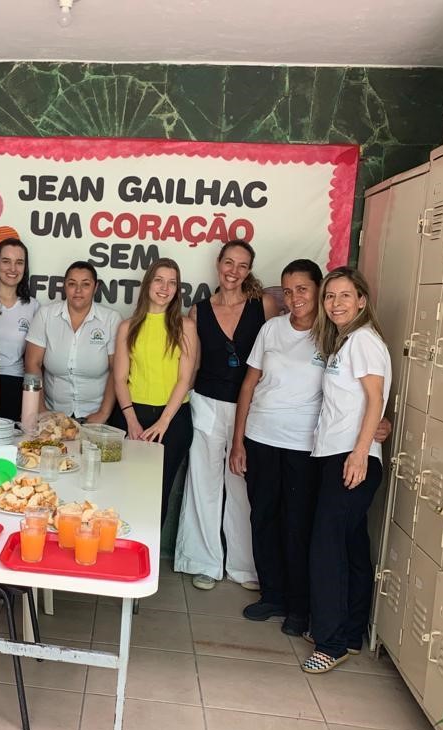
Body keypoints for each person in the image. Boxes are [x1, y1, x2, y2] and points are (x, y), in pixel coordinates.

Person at [228, 259, 326, 635]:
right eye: (287, 290)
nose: (294, 297)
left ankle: (299, 607)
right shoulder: (272, 329)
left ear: (318, 289)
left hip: (303, 446)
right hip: (261, 438)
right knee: (263, 518)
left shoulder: (331, 335)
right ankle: (272, 595)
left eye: (302, 289)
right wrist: (238, 441)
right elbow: (249, 385)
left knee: (297, 524)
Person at [301, 266, 391, 673]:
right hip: (337, 455)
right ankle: (350, 632)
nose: (335, 303)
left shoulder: (364, 341)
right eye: (330, 296)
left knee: (327, 548)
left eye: (344, 296)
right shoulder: (347, 341)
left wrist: (360, 453)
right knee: (350, 547)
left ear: (361, 301)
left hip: (350, 459)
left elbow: (375, 400)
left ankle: (331, 642)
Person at [175, 239, 279, 591]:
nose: (234, 271)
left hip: (250, 407)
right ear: (218, 263)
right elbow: (192, 367)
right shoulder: (199, 311)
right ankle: (202, 561)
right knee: (202, 483)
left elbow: (276, 357)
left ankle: (244, 566)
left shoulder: (264, 306)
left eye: (242, 265)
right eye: (229, 263)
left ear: (249, 270)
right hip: (206, 402)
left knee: (241, 485)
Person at [111, 258, 196, 527]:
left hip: (172, 419)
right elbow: (119, 378)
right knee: (124, 487)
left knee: (158, 493)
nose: (164, 288)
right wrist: (131, 421)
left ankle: (149, 549)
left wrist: (163, 422)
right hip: (132, 415)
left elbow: (184, 378)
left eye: (172, 283)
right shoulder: (127, 327)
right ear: (148, 283)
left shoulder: (185, 326)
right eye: (159, 280)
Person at [25, 261, 119, 423]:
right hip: (52, 413)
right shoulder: (46, 315)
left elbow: (115, 369)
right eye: (72, 284)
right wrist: (42, 411)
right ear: (65, 286)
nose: (78, 290)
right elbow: (32, 364)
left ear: (95, 287)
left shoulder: (111, 319)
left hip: (95, 416)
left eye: (86, 284)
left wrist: (103, 413)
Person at [0, 238, 40, 421]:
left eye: (19, 262)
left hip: (15, 383)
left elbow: (36, 359)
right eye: (6, 261)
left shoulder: (33, 307)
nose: (13, 268)